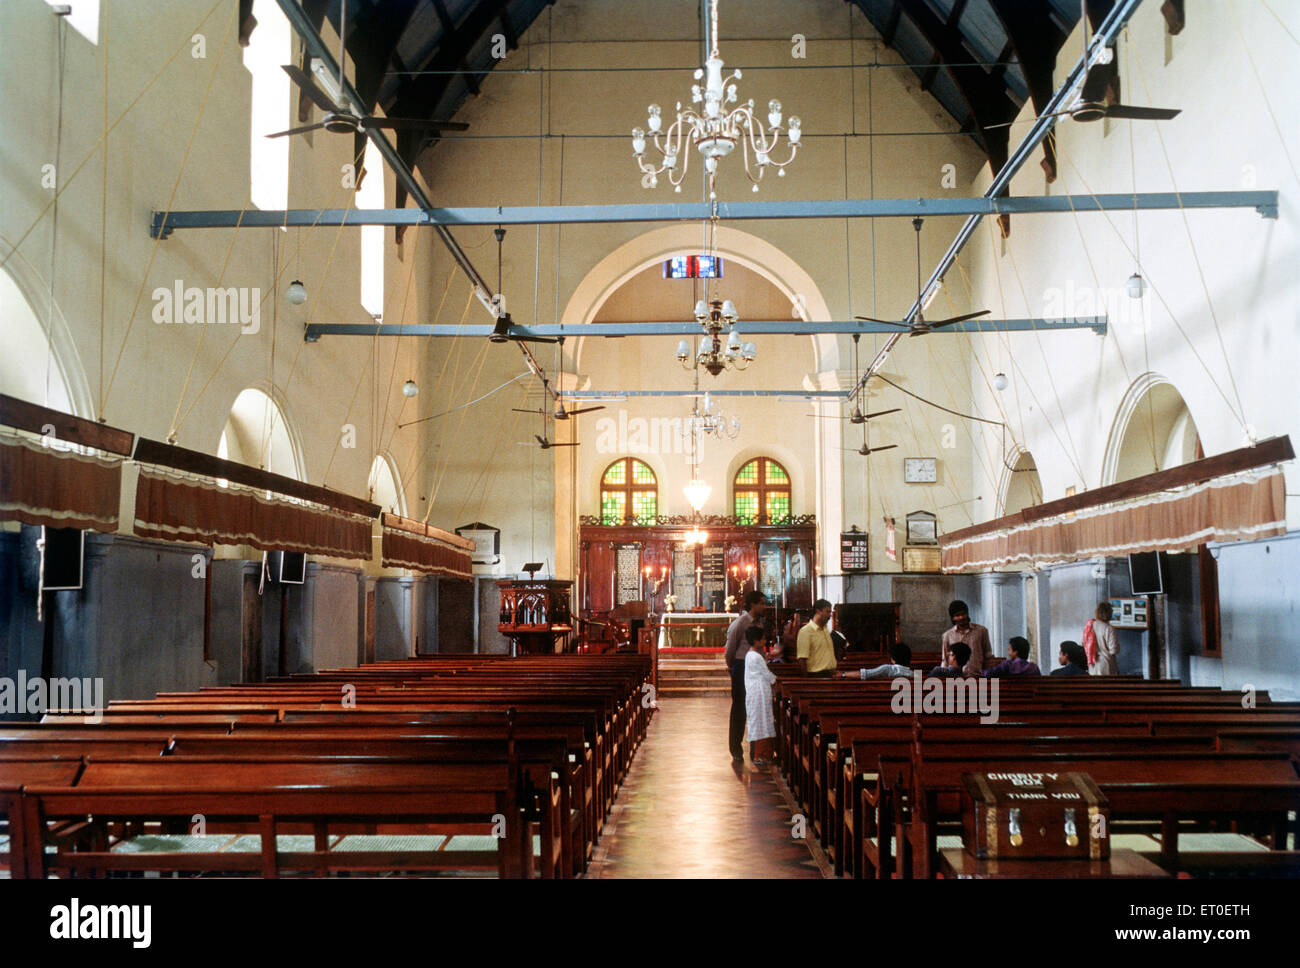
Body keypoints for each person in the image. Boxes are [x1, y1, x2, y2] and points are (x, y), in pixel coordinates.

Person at [725, 590, 766, 763]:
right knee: (740, 708)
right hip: (742, 666)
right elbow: (730, 647)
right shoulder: (740, 623)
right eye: (762, 603)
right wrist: (732, 665)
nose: (764, 606)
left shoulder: (760, 623)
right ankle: (735, 748)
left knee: (756, 708)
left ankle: (755, 751)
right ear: (753, 604)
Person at [743, 625, 778, 766]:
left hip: (757, 691)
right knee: (760, 722)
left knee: (761, 721)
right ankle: (760, 754)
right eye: (763, 639)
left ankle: (763, 753)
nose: (765, 641)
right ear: (756, 641)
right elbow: (766, 674)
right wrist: (776, 680)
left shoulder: (750, 654)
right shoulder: (756, 657)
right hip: (759, 693)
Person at [941, 600, 994, 676]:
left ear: (967, 614)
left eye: (963, 614)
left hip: (977, 676)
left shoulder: (981, 631)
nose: (961, 617)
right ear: (953, 618)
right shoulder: (947, 635)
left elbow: (988, 655)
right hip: (955, 678)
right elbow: (945, 660)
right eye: (957, 615)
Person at [796, 599, 837, 676]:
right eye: (827, 612)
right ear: (818, 611)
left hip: (831, 674)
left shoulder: (825, 629)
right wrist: (807, 681)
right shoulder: (805, 631)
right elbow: (802, 659)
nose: (830, 615)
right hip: (816, 675)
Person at [1089, 602, 1120, 676]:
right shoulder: (1109, 628)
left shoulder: (1089, 626)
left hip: (1092, 664)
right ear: (1108, 613)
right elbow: (1113, 650)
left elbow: (1083, 644)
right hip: (1106, 664)